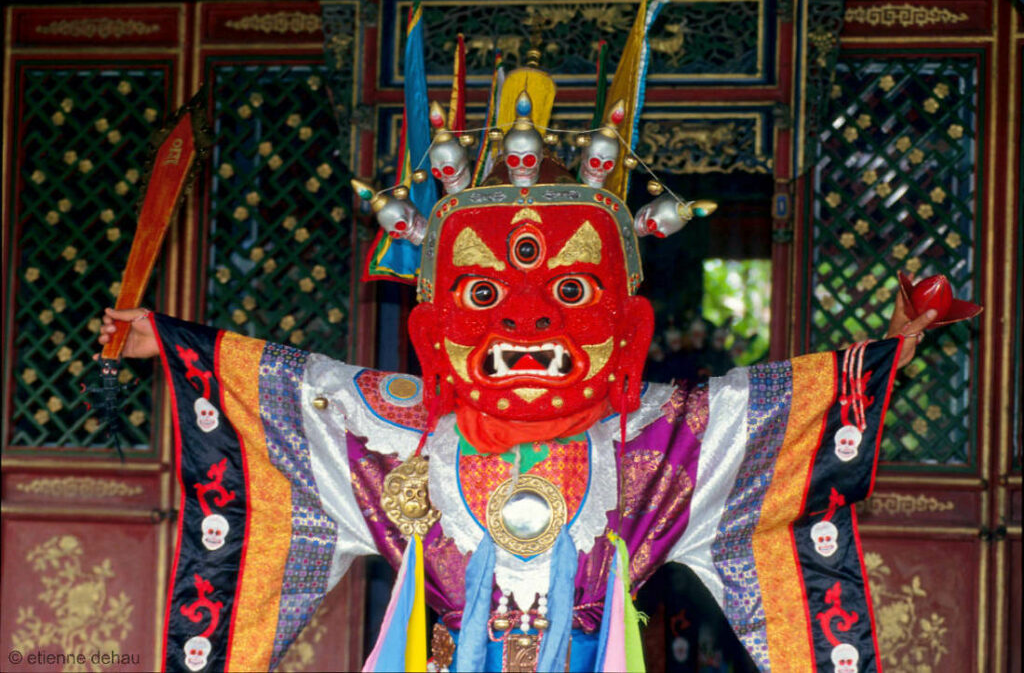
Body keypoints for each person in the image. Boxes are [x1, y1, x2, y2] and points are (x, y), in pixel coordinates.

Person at [98, 154, 935, 672]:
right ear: (431, 334)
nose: (527, 321)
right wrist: (166, 346)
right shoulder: (395, 430)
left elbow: (772, 411)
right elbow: (290, 390)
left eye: (571, 292)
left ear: (629, 328)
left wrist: (890, 347)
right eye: (485, 293)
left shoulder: (655, 439)